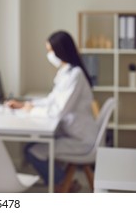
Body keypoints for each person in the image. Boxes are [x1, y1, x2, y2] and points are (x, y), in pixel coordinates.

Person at [6, 30, 98, 192]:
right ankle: (63, 182)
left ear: (60, 50)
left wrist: (31, 110)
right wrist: (26, 105)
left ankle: (63, 183)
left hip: (81, 140)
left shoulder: (75, 75)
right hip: (73, 132)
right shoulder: (66, 72)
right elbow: (52, 100)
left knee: (32, 151)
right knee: (31, 148)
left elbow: (58, 111)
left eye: (50, 50)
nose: (49, 55)